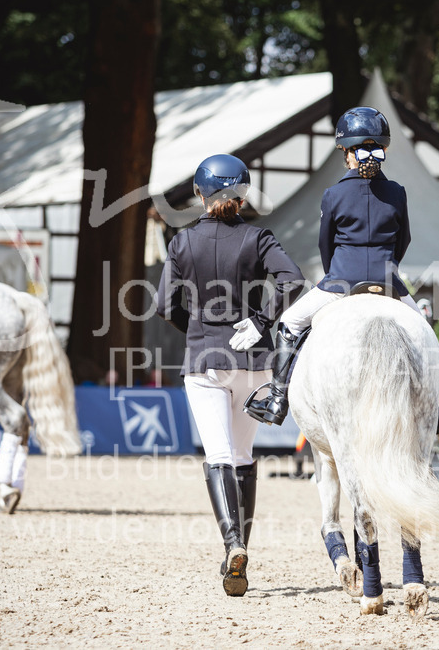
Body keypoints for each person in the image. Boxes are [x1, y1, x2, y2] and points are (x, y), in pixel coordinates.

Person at [244, 106, 439, 432]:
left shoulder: (333, 194)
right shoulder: (397, 193)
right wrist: (388, 270)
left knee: (290, 321)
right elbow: (404, 240)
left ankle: (277, 400)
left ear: (347, 153)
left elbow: (325, 244)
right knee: (424, 332)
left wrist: (335, 275)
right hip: (389, 283)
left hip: (341, 282)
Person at [156, 153, 305, 597]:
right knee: (242, 456)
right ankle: (238, 555)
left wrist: (197, 331)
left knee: (218, 454)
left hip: (205, 360)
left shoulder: (182, 242)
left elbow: (164, 305)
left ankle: (233, 544)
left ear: (199, 194)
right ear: (243, 194)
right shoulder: (258, 237)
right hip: (253, 361)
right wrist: (261, 320)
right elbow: (293, 280)